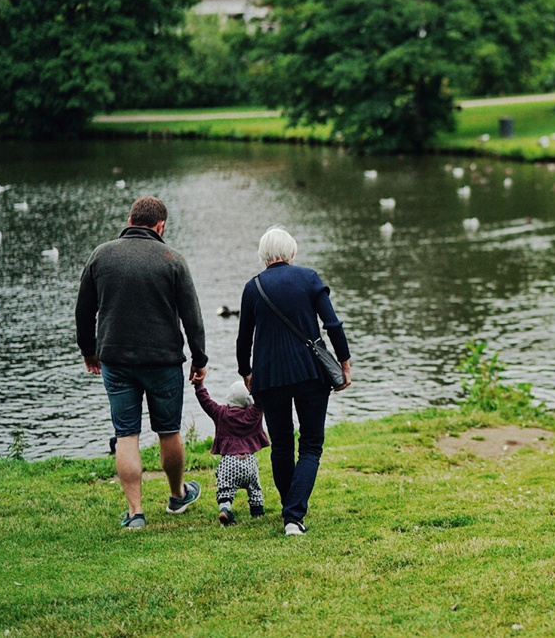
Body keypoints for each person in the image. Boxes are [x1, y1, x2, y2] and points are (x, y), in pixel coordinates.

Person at [76, 196, 206, 529]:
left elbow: (83, 310)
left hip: (115, 360)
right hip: (163, 361)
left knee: (126, 435)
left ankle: (135, 513)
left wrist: (89, 351)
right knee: (169, 431)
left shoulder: (101, 255)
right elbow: (192, 316)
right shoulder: (172, 259)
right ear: (160, 226)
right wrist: (199, 358)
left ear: (130, 219)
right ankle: (178, 495)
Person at [236, 227, 351, 536]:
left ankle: (291, 510)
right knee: (311, 444)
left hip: (268, 377)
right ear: (292, 253)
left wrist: (245, 372)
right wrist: (344, 361)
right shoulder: (309, 278)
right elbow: (333, 324)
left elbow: (243, 338)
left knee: (282, 445)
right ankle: (293, 515)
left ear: (263, 256)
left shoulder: (252, 287)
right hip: (310, 373)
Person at [194, 378, 269, 525]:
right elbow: (261, 400)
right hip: (249, 462)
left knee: (226, 489)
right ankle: (257, 513)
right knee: (254, 488)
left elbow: (206, 402)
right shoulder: (254, 414)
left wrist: (199, 385)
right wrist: (256, 383)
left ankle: (225, 508)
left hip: (229, 462)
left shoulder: (220, 413)